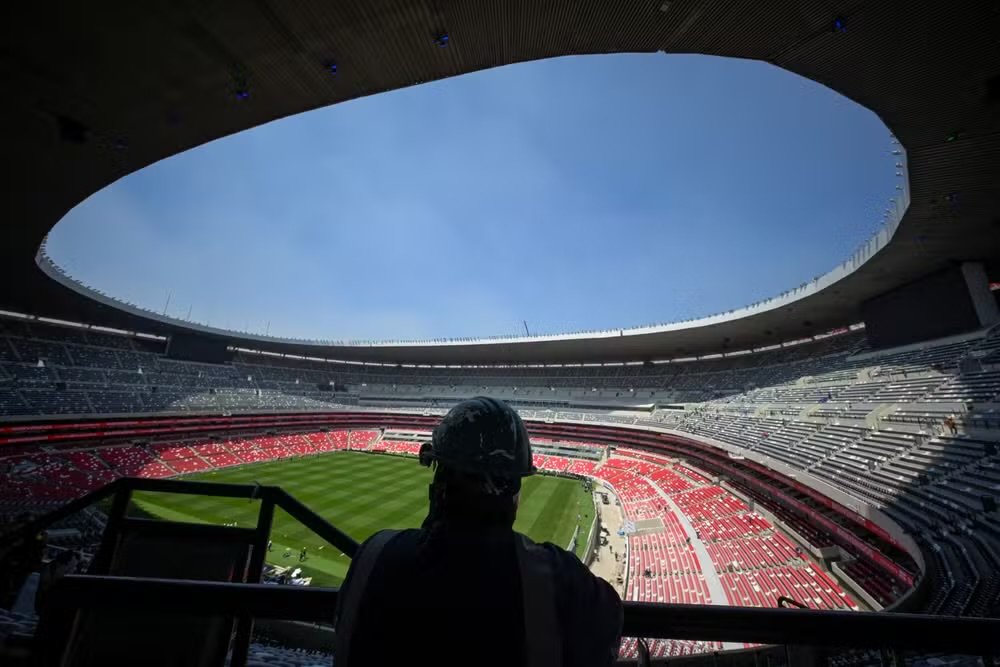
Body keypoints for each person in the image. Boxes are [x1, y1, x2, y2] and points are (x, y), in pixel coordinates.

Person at [333, 397, 622, 667]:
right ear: (513, 492)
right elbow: (607, 626)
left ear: (438, 481)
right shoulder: (556, 577)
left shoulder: (373, 555)